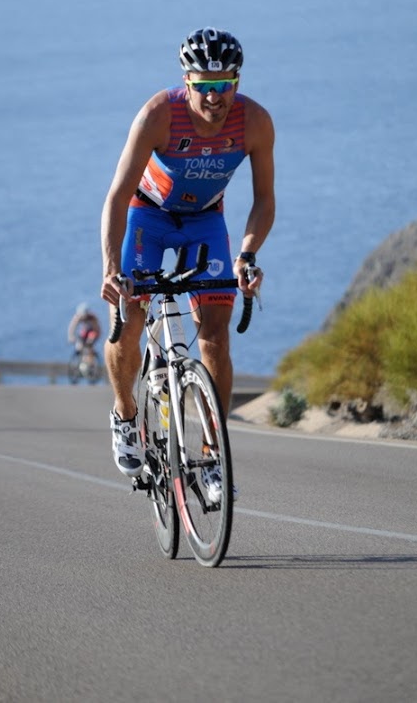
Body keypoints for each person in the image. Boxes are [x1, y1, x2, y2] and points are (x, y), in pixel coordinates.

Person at [100, 26, 275, 501]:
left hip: (205, 223)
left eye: (223, 86)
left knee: (215, 336)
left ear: (236, 82)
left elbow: (264, 201)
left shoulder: (254, 122)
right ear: (187, 82)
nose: (214, 98)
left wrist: (248, 254)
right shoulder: (160, 114)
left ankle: (213, 456)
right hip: (148, 216)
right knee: (129, 321)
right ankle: (125, 413)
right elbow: (117, 196)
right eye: (204, 87)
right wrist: (111, 269)